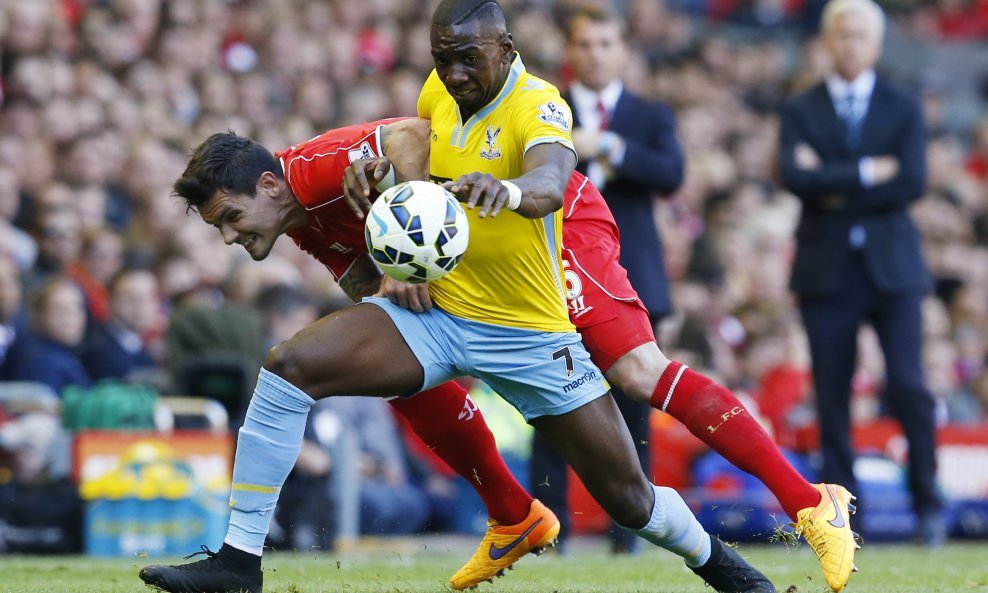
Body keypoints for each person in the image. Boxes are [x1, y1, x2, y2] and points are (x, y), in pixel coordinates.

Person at [140, 2, 774, 592]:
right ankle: (237, 560)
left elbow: (411, 137)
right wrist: (398, 275)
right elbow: (369, 286)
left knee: (629, 500)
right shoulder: (301, 223)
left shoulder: (319, 166)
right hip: (445, 319)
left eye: (230, 217)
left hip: (524, 317)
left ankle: (730, 570)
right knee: (289, 369)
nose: (227, 237)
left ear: (272, 185)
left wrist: (415, 224)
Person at [778, 0, 943, 547]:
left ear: (876, 44)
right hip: (826, 271)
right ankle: (844, 521)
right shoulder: (801, 108)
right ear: (828, 41)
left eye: (860, 36)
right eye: (841, 34)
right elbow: (795, 179)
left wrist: (831, 181)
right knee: (831, 398)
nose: (849, 44)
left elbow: (913, 181)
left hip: (892, 269)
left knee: (909, 385)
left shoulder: (902, 106)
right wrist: (871, 171)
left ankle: (928, 506)